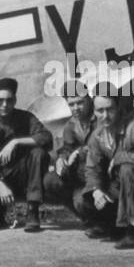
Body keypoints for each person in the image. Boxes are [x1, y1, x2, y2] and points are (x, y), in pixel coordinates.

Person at [82, 93, 134, 249]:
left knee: (128, 169)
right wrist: (96, 191)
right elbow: (92, 169)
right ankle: (115, 227)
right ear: (94, 112)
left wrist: (121, 157)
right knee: (86, 202)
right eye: (100, 111)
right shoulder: (97, 135)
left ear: (118, 108)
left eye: (109, 109)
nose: (105, 116)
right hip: (121, 188)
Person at [0, 77, 52, 231]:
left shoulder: (26, 118)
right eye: (0, 100)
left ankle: (32, 210)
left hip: (23, 177)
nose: (4, 105)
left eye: (9, 100)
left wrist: (16, 142)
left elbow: (46, 137)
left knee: (38, 153)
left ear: (15, 100)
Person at [43, 79, 96, 222]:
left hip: (101, 174)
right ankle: (88, 219)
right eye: (71, 104)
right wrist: (62, 158)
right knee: (50, 181)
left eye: (80, 102)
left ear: (89, 100)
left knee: (82, 201)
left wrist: (79, 152)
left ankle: (106, 222)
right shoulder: (71, 125)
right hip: (82, 175)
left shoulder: (101, 117)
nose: (76, 108)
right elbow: (66, 148)